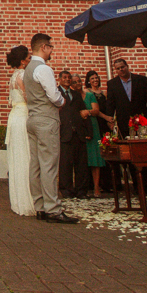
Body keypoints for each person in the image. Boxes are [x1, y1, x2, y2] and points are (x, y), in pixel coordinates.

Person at [23, 33, 76, 223]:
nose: (52, 50)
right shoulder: (43, 69)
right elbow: (54, 96)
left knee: (35, 165)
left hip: (32, 119)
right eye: (51, 47)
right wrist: (62, 101)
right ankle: (53, 209)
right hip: (46, 120)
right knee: (49, 165)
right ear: (44, 47)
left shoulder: (28, 68)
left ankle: (40, 207)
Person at [5, 44, 35, 216]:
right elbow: (28, 97)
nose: (30, 60)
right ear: (23, 60)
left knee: (19, 156)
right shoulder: (23, 75)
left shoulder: (13, 75)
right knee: (26, 156)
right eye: (29, 58)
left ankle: (19, 200)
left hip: (15, 116)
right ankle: (28, 199)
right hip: (23, 115)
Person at [57, 70, 91, 199]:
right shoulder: (56, 93)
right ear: (60, 79)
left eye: (69, 78)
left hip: (78, 133)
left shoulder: (76, 94)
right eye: (65, 77)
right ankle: (66, 190)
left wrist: (88, 131)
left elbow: (83, 112)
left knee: (81, 163)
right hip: (64, 133)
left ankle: (81, 191)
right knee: (65, 164)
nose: (67, 79)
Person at [103, 57, 147, 138]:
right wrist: (109, 120)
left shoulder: (141, 80)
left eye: (122, 67)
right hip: (124, 121)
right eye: (118, 68)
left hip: (142, 120)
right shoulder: (112, 84)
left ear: (127, 66)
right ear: (116, 70)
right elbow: (110, 103)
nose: (121, 69)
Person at [83, 70, 109, 197]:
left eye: (96, 78)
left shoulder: (104, 92)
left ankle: (103, 184)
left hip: (102, 125)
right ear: (88, 81)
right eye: (92, 78)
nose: (95, 80)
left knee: (103, 153)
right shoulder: (87, 93)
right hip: (93, 122)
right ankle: (90, 185)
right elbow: (95, 111)